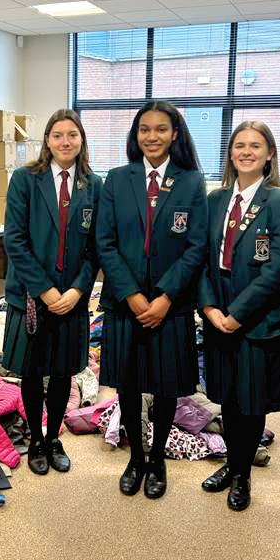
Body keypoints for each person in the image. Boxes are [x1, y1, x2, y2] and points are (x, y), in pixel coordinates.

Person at [97, 100, 207, 499]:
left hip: (170, 306)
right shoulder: (116, 179)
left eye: (161, 129)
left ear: (175, 134)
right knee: (128, 385)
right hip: (124, 302)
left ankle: (157, 457)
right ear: (136, 134)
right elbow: (104, 242)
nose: (152, 136)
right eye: (145, 129)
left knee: (165, 386)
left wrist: (164, 297)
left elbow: (196, 246)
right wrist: (131, 293)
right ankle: (136, 458)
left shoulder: (192, 181)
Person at [199, 120, 280, 511]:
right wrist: (210, 307)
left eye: (255, 146)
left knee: (251, 400)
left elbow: (279, 268)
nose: (246, 152)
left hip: (258, 317)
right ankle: (232, 462)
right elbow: (201, 260)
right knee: (227, 396)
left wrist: (237, 314)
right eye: (239, 145)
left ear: (269, 154)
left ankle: (242, 476)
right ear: (230, 153)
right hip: (218, 311)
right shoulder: (215, 201)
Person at [2, 109, 102, 476]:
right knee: (32, 372)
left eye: (72, 135)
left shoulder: (94, 185)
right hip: (32, 294)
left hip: (72, 297)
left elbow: (96, 246)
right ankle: (35, 439)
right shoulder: (25, 180)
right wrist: (44, 289)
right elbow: (14, 240)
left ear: (81, 140)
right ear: (47, 141)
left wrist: (77, 290)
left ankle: (53, 438)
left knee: (62, 372)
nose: (65, 141)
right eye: (57, 135)